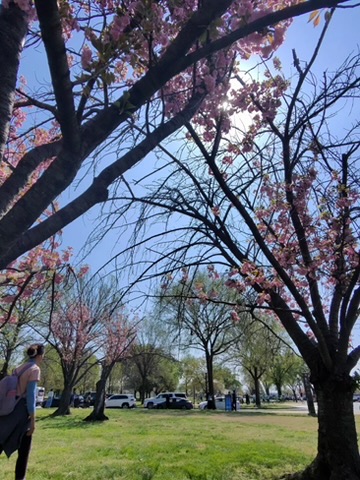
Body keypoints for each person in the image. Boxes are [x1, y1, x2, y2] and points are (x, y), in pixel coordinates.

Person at [0, 343, 45, 480]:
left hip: (8, 410)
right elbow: (31, 396)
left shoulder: (19, 368)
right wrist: (33, 420)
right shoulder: (34, 369)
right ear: (40, 355)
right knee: (24, 450)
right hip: (21, 413)